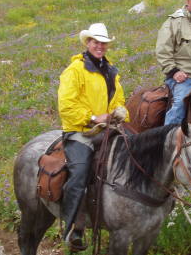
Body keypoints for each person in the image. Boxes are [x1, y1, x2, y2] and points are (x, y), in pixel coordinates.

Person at [58, 23, 128, 251]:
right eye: (95, 42)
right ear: (87, 43)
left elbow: (118, 100)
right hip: (80, 131)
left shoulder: (110, 70)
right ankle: (71, 228)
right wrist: (93, 117)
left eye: (103, 42)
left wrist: (119, 112)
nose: (100, 46)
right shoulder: (75, 70)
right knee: (79, 174)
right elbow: (66, 106)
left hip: (107, 128)